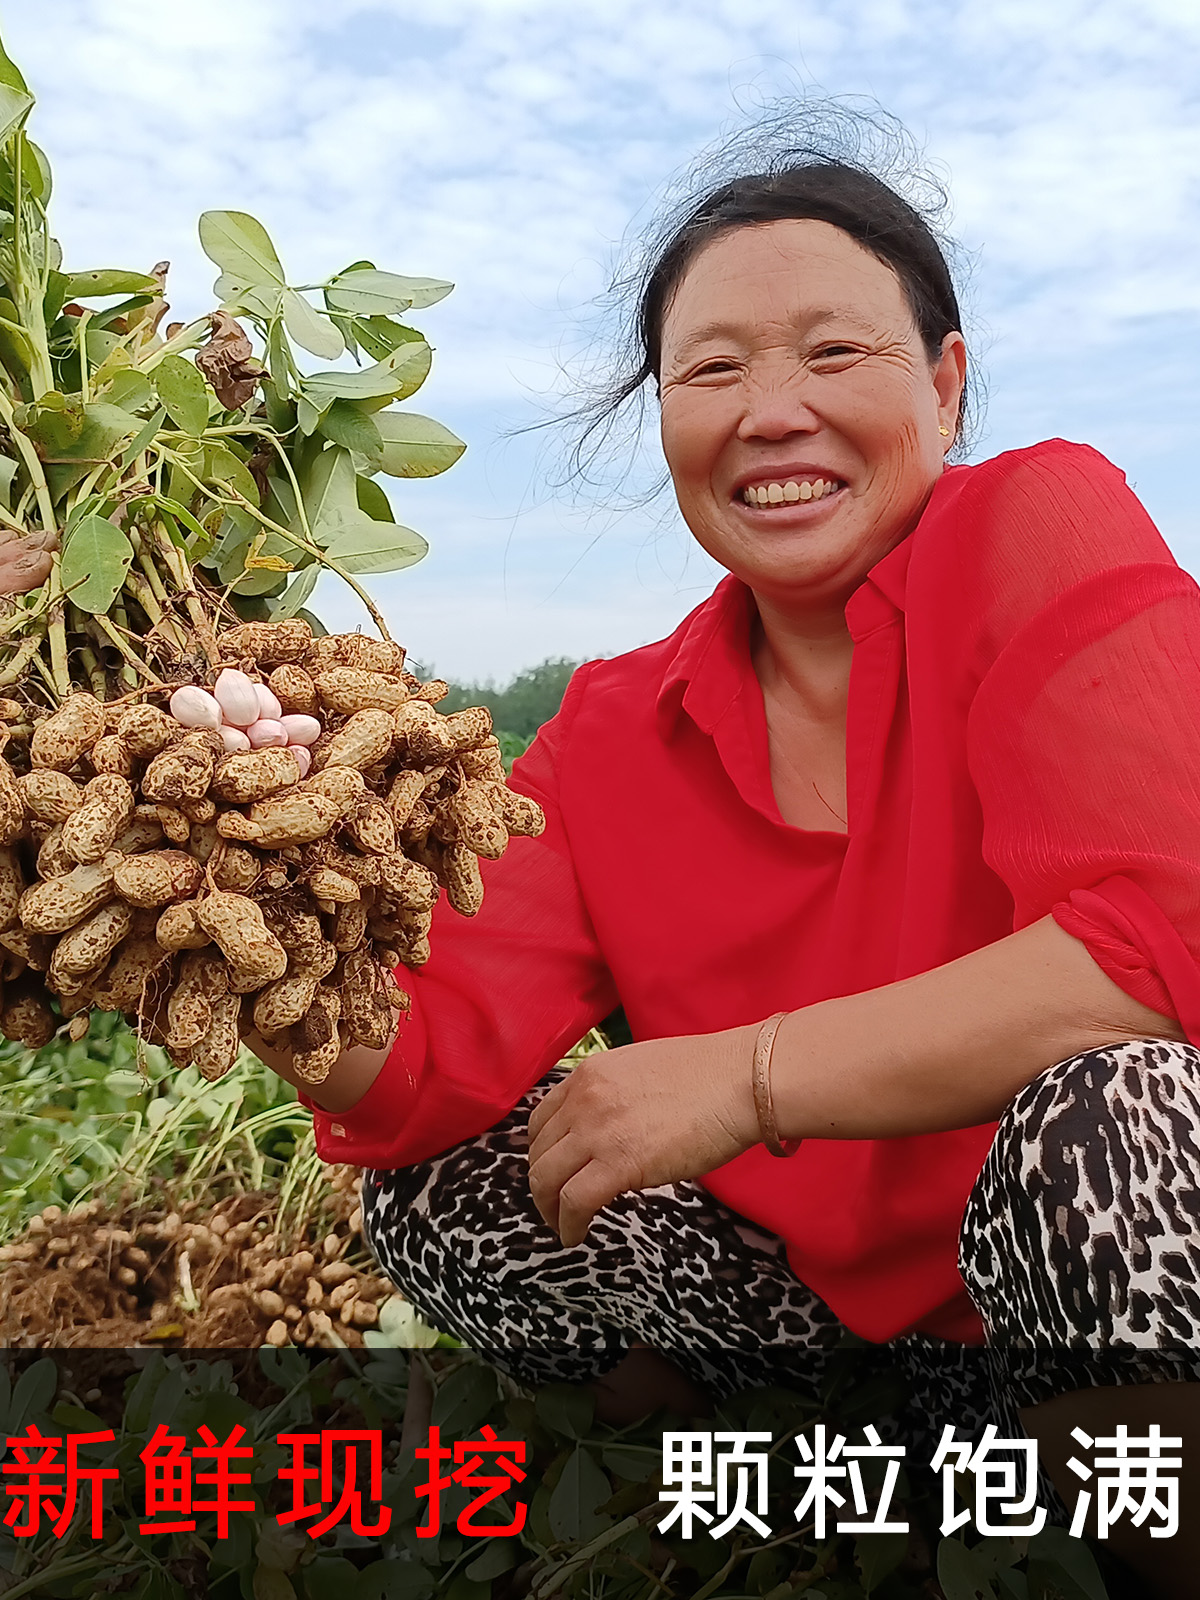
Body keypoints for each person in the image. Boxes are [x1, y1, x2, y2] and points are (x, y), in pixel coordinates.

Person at [252, 124, 1200, 1590]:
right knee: (440, 1191)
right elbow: (423, 1065)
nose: (772, 413)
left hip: (1065, 1295)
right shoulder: (613, 729)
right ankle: (765, 1474)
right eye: (711, 372)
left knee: (1118, 1109)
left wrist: (748, 1073)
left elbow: (1163, 940)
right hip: (809, 1320)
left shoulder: (1038, 527)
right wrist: (232, 906)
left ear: (944, 385)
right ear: (665, 422)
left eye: (835, 353)